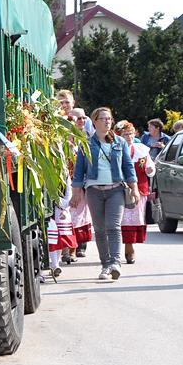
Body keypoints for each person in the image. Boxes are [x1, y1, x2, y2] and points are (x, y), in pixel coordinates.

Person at [71, 107, 137, 280]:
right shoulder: (86, 143)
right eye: (103, 119)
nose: (107, 121)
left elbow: (128, 167)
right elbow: (79, 171)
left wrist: (134, 188)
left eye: (109, 119)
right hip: (94, 191)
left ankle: (116, 263)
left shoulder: (119, 142)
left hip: (115, 189)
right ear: (94, 121)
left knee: (113, 227)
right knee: (100, 230)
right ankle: (105, 265)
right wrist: (76, 192)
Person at [116, 120, 155, 264]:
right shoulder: (115, 149)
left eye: (131, 134)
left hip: (139, 189)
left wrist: (150, 170)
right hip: (119, 189)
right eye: (125, 134)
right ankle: (117, 250)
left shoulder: (142, 150)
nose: (129, 137)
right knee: (119, 220)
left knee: (133, 219)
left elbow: (150, 167)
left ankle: (129, 247)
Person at [67, 107, 93, 260]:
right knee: (71, 214)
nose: (82, 121)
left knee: (81, 214)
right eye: (78, 118)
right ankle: (69, 248)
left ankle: (79, 246)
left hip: (83, 182)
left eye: (84, 118)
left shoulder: (89, 137)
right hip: (68, 180)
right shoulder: (64, 137)